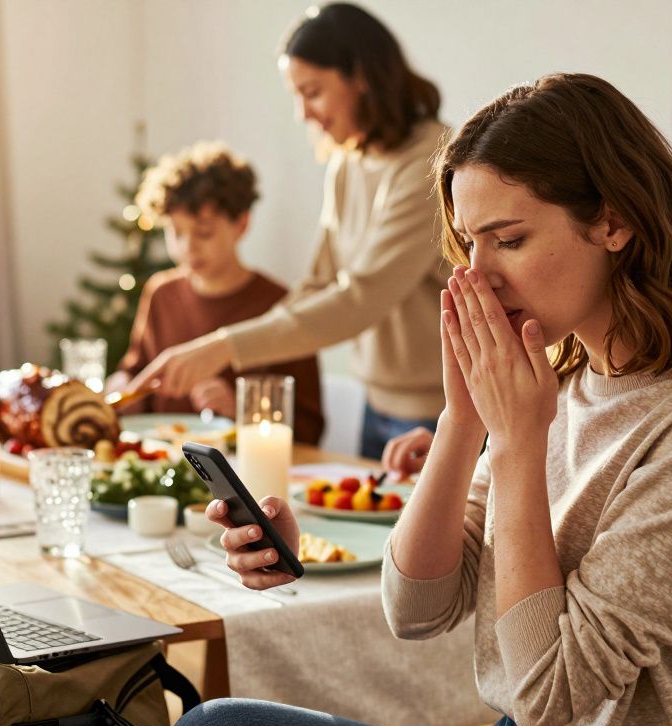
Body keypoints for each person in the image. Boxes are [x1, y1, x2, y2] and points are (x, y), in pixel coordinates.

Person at [177, 73, 672, 726]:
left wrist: (515, 445)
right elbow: (415, 609)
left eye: (509, 239)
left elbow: (546, 696)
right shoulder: (562, 378)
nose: (477, 274)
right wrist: (461, 419)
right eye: (469, 243)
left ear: (614, 222)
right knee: (215, 724)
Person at [125, 3, 450, 459]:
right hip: (377, 406)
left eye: (312, 91)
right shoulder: (347, 162)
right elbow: (318, 285)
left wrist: (221, 348)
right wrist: (226, 349)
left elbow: (361, 299)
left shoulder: (430, 162)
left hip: (443, 410)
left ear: (362, 76)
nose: (302, 113)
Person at [105, 141, 325, 444]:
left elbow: (310, 429)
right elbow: (135, 375)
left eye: (204, 232)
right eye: (176, 232)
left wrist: (241, 411)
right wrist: (121, 390)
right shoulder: (161, 293)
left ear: (242, 223)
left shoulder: (281, 307)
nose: (187, 247)